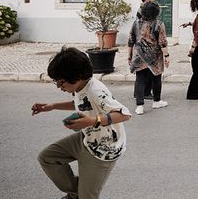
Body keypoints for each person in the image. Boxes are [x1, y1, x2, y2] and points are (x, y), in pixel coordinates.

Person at [32, 47, 131, 199]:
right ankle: (77, 192)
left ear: (76, 76)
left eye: (61, 83)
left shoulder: (96, 91)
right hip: (86, 138)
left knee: (87, 197)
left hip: (104, 149)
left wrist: (93, 120)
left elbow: (124, 114)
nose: (60, 87)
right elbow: (80, 103)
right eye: (57, 83)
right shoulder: (81, 86)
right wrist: (52, 106)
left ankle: (82, 193)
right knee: (47, 157)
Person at [128, 1, 170, 114]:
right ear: (156, 12)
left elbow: (131, 41)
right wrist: (167, 56)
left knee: (140, 80)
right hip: (154, 57)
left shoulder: (136, 23)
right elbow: (163, 43)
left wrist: (129, 56)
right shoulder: (159, 24)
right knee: (156, 78)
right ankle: (157, 101)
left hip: (139, 56)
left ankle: (139, 106)